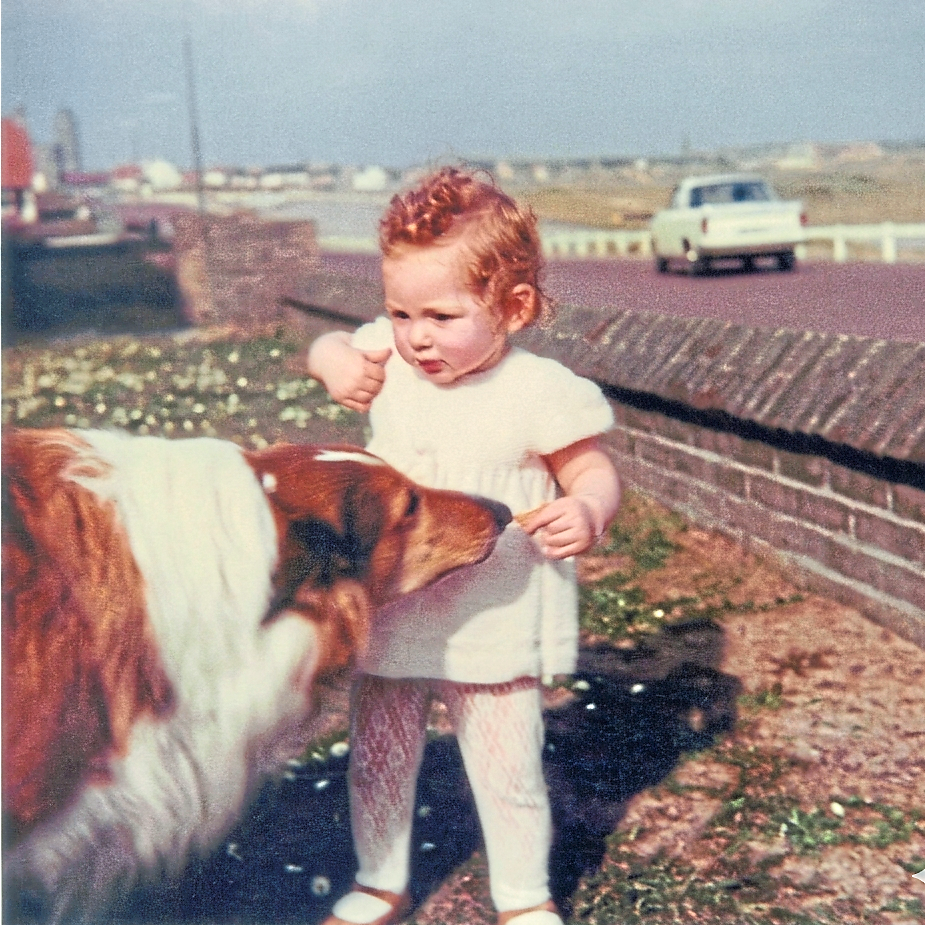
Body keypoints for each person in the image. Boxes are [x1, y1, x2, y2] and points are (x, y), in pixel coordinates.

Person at [308, 166, 621, 925]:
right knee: (378, 757)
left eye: (441, 316)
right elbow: (325, 343)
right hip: (396, 601)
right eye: (399, 311)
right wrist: (335, 363)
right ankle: (381, 879)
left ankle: (521, 895)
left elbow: (592, 470)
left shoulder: (539, 390)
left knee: (506, 764)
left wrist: (586, 508)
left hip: (492, 609)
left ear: (510, 309)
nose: (416, 335)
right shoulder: (391, 356)